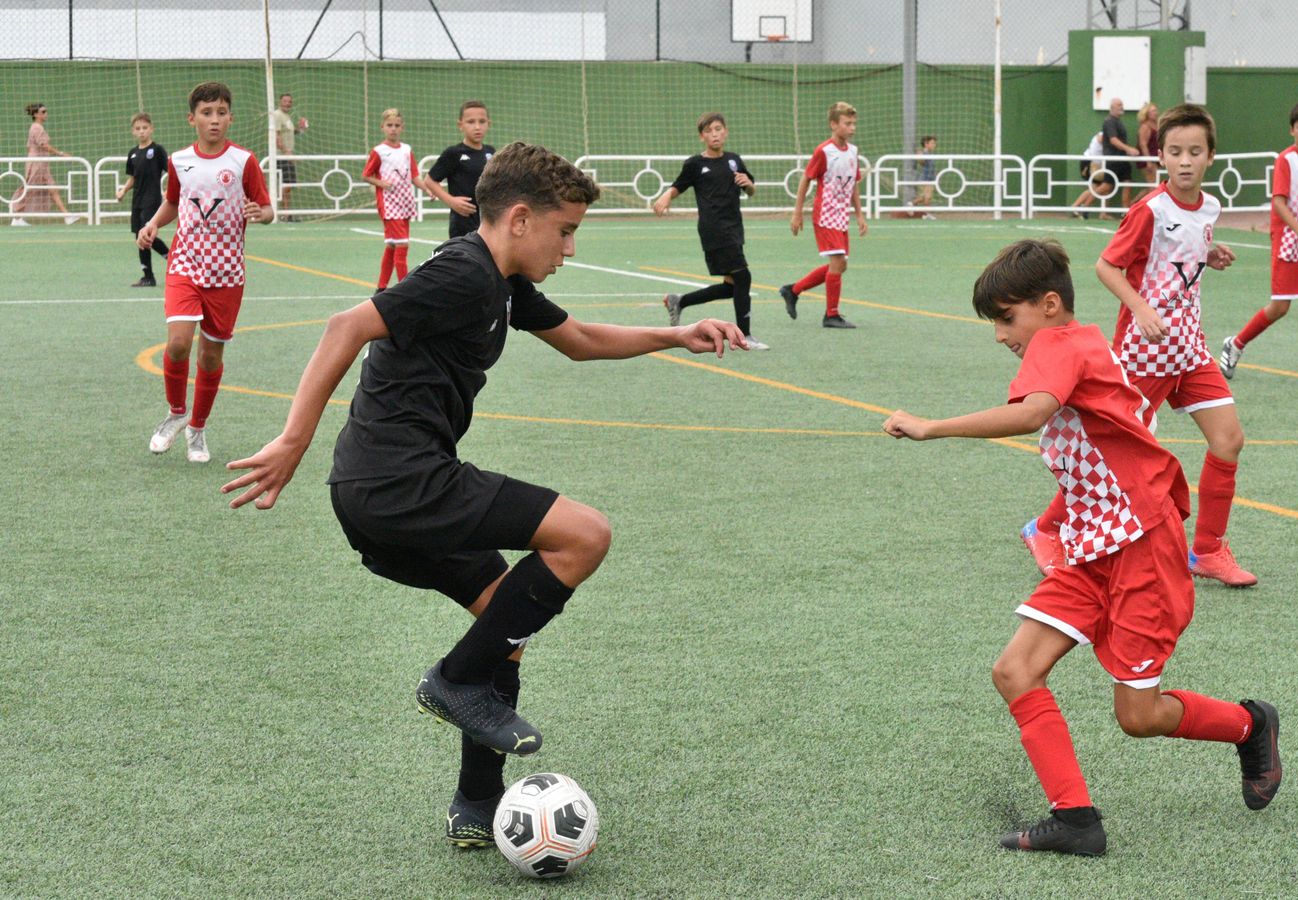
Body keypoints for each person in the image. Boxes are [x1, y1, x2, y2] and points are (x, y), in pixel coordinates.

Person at [220, 143, 747, 849]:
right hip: (399, 480)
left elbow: (582, 339)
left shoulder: (502, 281)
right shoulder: (466, 273)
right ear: (521, 219)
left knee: (508, 626)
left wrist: (676, 333)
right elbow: (346, 325)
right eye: (566, 231)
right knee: (584, 535)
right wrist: (292, 439)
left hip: (382, 492)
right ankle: (451, 681)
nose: (569, 248)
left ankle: (475, 802)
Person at [881, 237, 1282, 857]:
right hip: (1094, 547)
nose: (999, 335)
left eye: (1005, 320)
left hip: (1142, 547)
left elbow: (1031, 413)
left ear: (1047, 306)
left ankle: (1250, 725)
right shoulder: (1081, 341)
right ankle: (1076, 820)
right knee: (1015, 671)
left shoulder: (1059, 346)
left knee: (1138, 717)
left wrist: (932, 427)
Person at [1030, 104, 1255, 588]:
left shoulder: (1210, 208)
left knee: (1228, 440)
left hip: (1189, 349)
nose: (1185, 161)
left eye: (1195, 151)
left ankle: (1209, 551)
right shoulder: (1148, 210)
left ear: (1211, 156)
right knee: (1113, 451)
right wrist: (1142, 308)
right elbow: (1107, 266)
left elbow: (1179, 253)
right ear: (1161, 157)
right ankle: (1045, 528)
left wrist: (1207, 254)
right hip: (1143, 351)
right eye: (1175, 152)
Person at [137, 81, 274, 465]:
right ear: (192, 118)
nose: (214, 120)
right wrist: (153, 224)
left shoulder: (244, 161)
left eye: (221, 113)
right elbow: (173, 201)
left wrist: (259, 214)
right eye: (206, 113)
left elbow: (266, 209)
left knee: (210, 356)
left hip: (227, 272)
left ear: (230, 117)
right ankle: (176, 412)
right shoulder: (179, 160)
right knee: (179, 342)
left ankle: (197, 427)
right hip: (185, 263)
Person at [1219, 102, 1298, 388]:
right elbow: (1279, 202)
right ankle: (1236, 343)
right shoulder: (1286, 160)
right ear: (1292, 130)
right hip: (1290, 241)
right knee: (1280, 307)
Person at [653, 113, 767, 350]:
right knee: (743, 277)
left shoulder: (734, 160)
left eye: (718, 129)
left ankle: (679, 301)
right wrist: (665, 196)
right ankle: (744, 336)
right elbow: (678, 186)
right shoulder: (695, 164)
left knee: (731, 286)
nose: (714, 134)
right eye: (709, 131)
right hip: (714, 229)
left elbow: (751, 190)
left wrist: (749, 184)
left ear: (726, 132)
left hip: (734, 228)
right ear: (701, 136)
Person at [780, 101, 867, 329]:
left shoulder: (853, 152)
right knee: (837, 262)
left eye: (853, 124)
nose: (852, 128)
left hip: (841, 216)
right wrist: (797, 213)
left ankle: (793, 290)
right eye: (847, 124)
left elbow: (853, 184)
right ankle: (831, 315)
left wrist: (859, 215)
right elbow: (806, 179)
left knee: (840, 266)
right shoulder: (824, 151)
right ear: (833, 124)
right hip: (825, 214)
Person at [361, 108, 424, 290]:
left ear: (402, 127)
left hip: (405, 202)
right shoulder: (379, 151)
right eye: (389, 125)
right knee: (402, 245)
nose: (393, 129)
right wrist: (380, 183)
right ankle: (405, 288)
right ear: (382, 127)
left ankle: (381, 287)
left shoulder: (406, 150)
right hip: (389, 204)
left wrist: (428, 190)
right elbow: (366, 175)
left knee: (391, 246)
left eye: (397, 125)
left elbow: (414, 175)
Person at [422, 101, 494, 239]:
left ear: (488, 124)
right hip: (463, 225)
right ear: (460, 125)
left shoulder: (491, 152)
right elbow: (429, 180)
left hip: (487, 223)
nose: (477, 127)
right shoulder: (454, 153)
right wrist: (451, 201)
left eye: (482, 121)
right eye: (471, 122)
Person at [116, 112, 169, 286]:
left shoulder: (157, 150)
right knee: (139, 237)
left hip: (152, 199)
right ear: (133, 131)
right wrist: (123, 191)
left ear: (151, 129)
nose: (142, 131)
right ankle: (148, 276)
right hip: (137, 200)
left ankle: (173, 261)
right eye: (138, 129)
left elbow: (171, 172)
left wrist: (169, 190)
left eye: (145, 128)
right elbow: (133, 178)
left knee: (147, 235)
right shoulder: (132, 154)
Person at [11, 103, 79, 226]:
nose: (46, 114)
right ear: (36, 114)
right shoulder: (36, 127)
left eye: (46, 111)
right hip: (37, 164)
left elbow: (30, 147)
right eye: (43, 112)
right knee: (29, 189)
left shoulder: (38, 127)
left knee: (52, 188)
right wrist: (61, 153)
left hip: (41, 163)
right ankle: (16, 217)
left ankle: (66, 216)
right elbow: (44, 145)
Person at [268, 92, 308, 215]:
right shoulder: (277, 115)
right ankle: (281, 210)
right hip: (281, 156)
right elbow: (276, 136)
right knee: (287, 184)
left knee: (288, 184)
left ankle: (286, 213)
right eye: (285, 101)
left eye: (289, 101)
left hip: (287, 155)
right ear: (280, 102)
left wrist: (301, 128)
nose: (287, 104)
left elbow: (289, 133)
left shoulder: (287, 117)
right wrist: (286, 153)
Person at [1100, 97, 1139, 209]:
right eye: (1119, 105)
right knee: (1107, 186)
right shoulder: (1109, 121)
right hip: (1113, 158)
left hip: (1122, 158)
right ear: (1112, 107)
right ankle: (1081, 206)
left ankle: (1124, 211)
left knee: (1127, 182)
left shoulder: (1117, 121)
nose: (1121, 107)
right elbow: (1113, 139)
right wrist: (1128, 149)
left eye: (1121, 105)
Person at [1136, 102, 1160, 196]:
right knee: (1153, 187)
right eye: (1153, 111)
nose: (1155, 113)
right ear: (1147, 113)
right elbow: (1143, 144)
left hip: (1154, 159)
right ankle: (1133, 207)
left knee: (1153, 186)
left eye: (1156, 110)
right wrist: (1148, 161)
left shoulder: (1156, 125)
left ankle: (1132, 205)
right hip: (1148, 160)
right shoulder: (1145, 126)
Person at [913, 134, 938, 213]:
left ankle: (911, 204)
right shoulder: (923, 153)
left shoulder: (931, 154)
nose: (935, 145)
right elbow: (921, 162)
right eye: (932, 143)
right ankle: (927, 214)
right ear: (926, 144)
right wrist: (919, 155)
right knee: (927, 197)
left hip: (931, 179)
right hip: (924, 179)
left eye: (934, 143)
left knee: (925, 197)